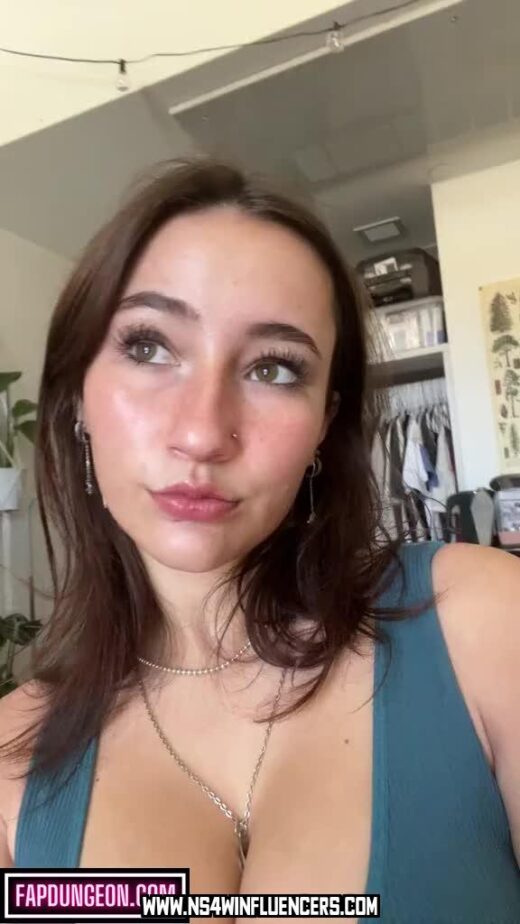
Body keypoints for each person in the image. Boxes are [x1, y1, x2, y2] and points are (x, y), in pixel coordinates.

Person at [0, 158, 518, 922]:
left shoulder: (482, 622)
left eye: (273, 368)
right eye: (149, 347)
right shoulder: (10, 759)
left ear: (324, 425)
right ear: (77, 395)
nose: (203, 432)